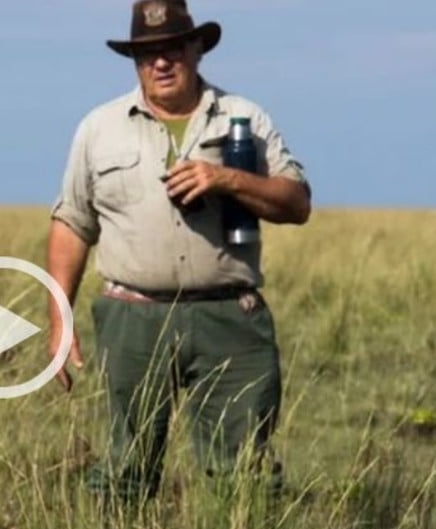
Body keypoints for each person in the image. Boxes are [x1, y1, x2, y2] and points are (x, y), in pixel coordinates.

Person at [45, 0, 311, 503]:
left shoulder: (244, 117)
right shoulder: (100, 128)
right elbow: (72, 223)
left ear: (196, 50)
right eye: (148, 53)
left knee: (246, 475)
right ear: (134, 61)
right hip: (133, 317)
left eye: (173, 48)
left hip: (229, 316)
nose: (161, 62)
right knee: (127, 469)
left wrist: (227, 179)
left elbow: (296, 202)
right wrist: (60, 319)